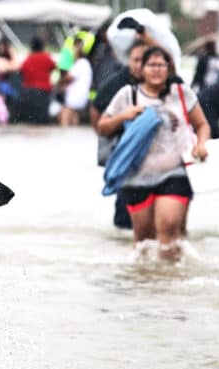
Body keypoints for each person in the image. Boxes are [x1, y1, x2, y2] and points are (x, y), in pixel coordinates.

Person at [97, 46, 210, 261]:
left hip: (175, 172)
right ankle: (144, 287)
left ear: (169, 68)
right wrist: (124, 116)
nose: (156, 70)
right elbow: (102, 127)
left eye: (161, 65)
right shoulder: (127, 95)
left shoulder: (181, 93)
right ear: (141, 69)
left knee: (168, 229)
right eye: (151, 65)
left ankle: (169, 283)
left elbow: (202, 124)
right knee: (144, 241)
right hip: (136, 177)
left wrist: (201, 144)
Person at [90, 40, 149, 229]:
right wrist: (106, 134)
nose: (140, 65)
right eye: (136, 60)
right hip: (126, 156)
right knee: (125, 215)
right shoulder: (120, 84)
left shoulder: (161, 84)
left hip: (153, 162)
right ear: (128, 61)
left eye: (144, 60)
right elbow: (96, 108)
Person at [14, 36, 56, 123]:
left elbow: (22, 71)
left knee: (31, 120)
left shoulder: (28, 59)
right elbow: (54, 67)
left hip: (29, 93)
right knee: (42, 121)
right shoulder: (46, 58)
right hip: (43, 93)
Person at [58, 38, 92, 126]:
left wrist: (59, 82)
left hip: (76, 96)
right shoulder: (84, 63)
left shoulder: (81, 63)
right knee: (74, 116)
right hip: (80, 96)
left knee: (64, 114)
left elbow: (68, 78)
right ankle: (73, 134)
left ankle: (65, 134)